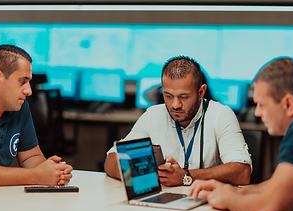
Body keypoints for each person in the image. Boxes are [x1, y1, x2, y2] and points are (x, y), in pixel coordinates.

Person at [188, 57, 293, 211]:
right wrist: (230, 190)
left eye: (261, 104)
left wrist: (224, 198)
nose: (257, 112)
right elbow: (279, 186)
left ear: (288, 104)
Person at [104, 56, 252, 187]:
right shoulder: (153, 115)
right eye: (168, 96)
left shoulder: (220, 115)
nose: (175, 105)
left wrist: (187, 176)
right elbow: (111, 161)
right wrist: (154, 174)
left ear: (201, 92)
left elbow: (242, 172)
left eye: (184, 97)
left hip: (206, 205)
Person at [0, 44, 73, 186]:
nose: (29, 91)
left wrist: (52, 171)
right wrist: (35, 176)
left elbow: (31, 157)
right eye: (23, 82)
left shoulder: (19, 106)